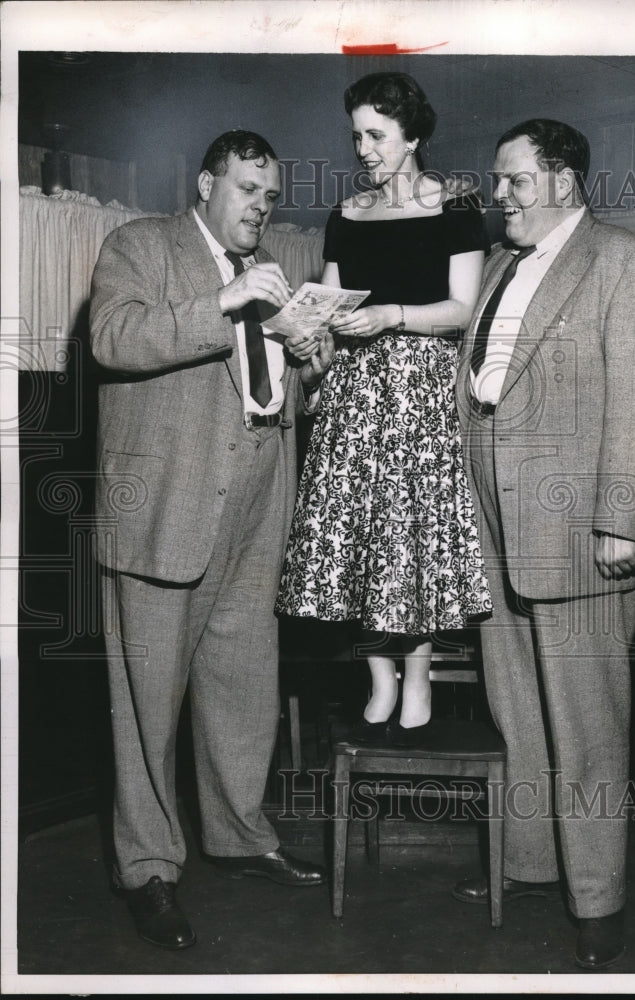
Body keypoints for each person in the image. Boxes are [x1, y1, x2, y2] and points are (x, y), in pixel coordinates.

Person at [89, 129, 333, 950]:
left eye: (271, 196)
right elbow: (113, 340)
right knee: (148, 703)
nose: (261, 207)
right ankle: (149, 868)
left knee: (243, 682)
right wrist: (224, 304)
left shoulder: (268, 276)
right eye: (247, 190)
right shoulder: (140, 245)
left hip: (260, 497)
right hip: (167, 505)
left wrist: (309, 354)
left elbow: (272, 387)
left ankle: (239, 835)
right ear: (205, 184)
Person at [452, 119, 635, 969]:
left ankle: (598, 898)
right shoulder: (505, 269)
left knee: (586, 727)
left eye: (514, 180)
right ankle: (531, 865)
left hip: (579, 532)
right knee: (517, 713)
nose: (500, 195)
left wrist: (621, 517)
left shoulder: (626, 263)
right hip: (493, 522)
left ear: (563, 180)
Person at [275, 72, 492, 746]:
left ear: (414, 135)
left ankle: (419, 673)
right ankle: (378, 675)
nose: (364, 148)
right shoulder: (346, 215)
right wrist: (310, 335)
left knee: (410, 536)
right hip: (354, 394)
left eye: (377, 134)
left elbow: (462, 309)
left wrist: (393, 315)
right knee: (359, 532)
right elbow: (334, 310)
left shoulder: (456, 211)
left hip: (421, 391)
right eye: (357, 135)